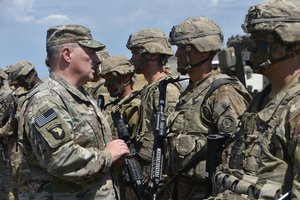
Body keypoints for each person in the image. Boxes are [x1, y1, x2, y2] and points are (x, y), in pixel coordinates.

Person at [18, 24, 130, 199]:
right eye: (90, 52)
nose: (97, 59)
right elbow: (61, 159)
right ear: (67, 54)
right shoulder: (45, 100)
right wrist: (108, 155)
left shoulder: (80, 94)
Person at [208, 0, 300, 199]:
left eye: (261, 43)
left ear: (291, 44)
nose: (251, 52)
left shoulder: (295, 108)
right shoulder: (261, 100)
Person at [166, 16, 252, 199]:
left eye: (183, 48)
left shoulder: (223, 92)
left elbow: (239, 155)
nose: (177, 54)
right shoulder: (192, 90)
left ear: (202, 51)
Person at [126, 28, 182, 198]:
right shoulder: (151, 89)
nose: (131, 59)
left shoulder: (166, 91)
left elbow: (169, 141)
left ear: (150, 54)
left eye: (135, 53)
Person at [101, 55, 142, 199]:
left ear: (125, 78)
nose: (106, 85)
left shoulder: (134, 106)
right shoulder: (112, 107)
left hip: (128, 176)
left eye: (110, 80)